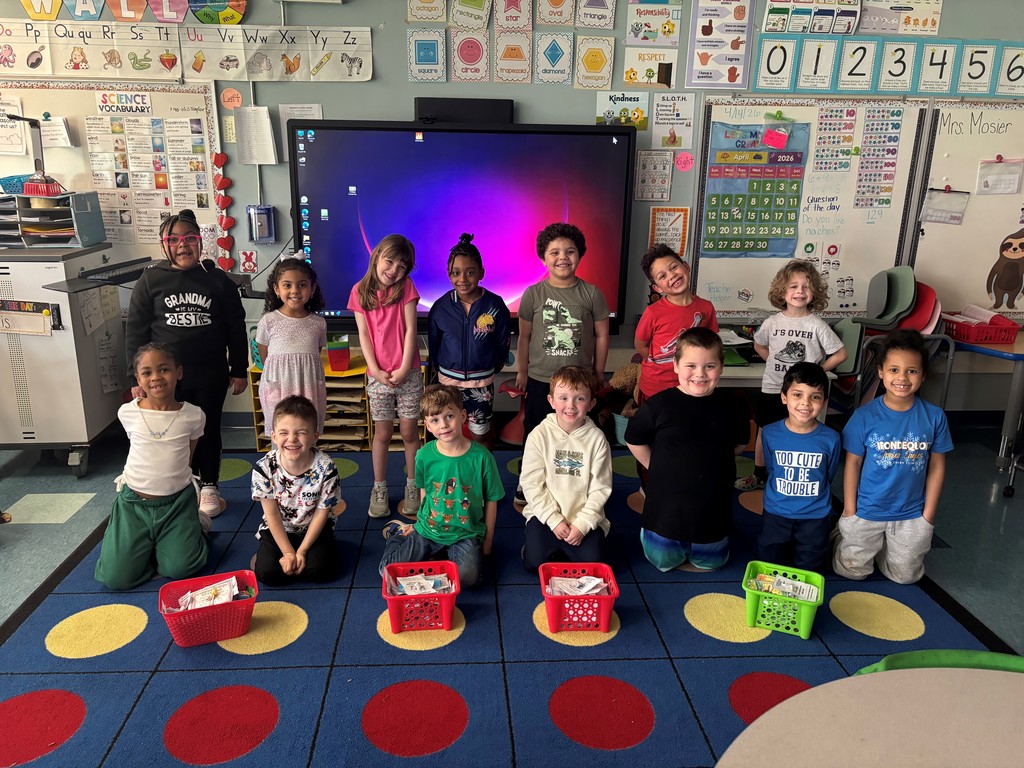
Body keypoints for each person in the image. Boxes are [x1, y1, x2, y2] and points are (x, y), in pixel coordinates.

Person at [125, 209, 248, 518]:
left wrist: (239, 369)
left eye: (190, 239)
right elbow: (136, 332)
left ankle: (209, 484)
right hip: (163, 378)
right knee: (170, 430)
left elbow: (236, 326)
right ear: (164, 245)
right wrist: (135, 377)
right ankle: (179, 484)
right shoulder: (151, 280)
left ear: (200, 242)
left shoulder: (217, 279)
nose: (183, 245)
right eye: (174, 240)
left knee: (207, 429)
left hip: (210, 372)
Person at [625, 328, 750, 572]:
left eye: (710, 366)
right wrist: (656, 465)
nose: (700, 374)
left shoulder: (733, 406)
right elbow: (634, 438)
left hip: (712, 514)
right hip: (665, 515)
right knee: (664, 561)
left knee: (711, 563)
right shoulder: (659, 405)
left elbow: (739, 444)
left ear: (722, 367)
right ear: (675, 365)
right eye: (690, 365)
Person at [833, 329, 953, 584]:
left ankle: (887, 547)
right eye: (894, 370)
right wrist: (850, 510)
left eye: (911, 370)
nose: (902, 378)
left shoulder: (934, 417)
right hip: (867, 509)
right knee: (852, 572)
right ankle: (842, 536)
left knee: (905, 577)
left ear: (923, 375)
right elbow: (852, 463)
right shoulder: (864, 416)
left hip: (911, 512)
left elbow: (937, 467)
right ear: (880, 372)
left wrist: (928, 515)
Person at [95, 343, 208, 590]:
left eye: (163, 369)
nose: (156, 377)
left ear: (178, 372)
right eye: (147, 372)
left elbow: (187, 457)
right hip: (133, 504)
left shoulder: (194, 415)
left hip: (176, 503)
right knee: (116, 578)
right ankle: (146, 546)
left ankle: (195, 525)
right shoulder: (127, 412)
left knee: (182, 569)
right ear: (138, 379)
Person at [514, 222, 610, 505]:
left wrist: (598, 371)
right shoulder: (533, 294)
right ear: (543, 257)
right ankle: (528, 482)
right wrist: (522, 371)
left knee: (577, 434)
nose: (563, 257)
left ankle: (577, 486)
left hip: (579, 382)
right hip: (541, 378)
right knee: (535, 432)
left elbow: (602, 335)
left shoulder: (591, 293)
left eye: (570, 251)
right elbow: (524, 336)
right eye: (554, 252)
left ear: (580, 255)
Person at [736, 260, 847, 492]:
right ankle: (759, 474)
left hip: (803, 393)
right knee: (765, 430)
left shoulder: (816, 324)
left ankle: (788, 474)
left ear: (814, 291)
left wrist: (815, 372)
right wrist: (775, 363)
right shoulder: (772, 322)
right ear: (782, 291)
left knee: (800, 430)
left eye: (806, 287)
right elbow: (759, 345)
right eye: (793, 286)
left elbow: (841, 353)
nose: (800, 291)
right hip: (773, 387)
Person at [379, 384, 504, 588]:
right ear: (428, 426)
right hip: (429, 530)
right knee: (385, 571)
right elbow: (424, 491)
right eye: (435, 420)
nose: (443, 425)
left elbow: (492, 500)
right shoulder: (424, 455)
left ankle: (439, 560)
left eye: (449, 416)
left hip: (466, 533)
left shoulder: (482, 457)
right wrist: (419, 524)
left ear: (463, 416)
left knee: (468, 578)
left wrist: (487, 543)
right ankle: (397, 535)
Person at [348, 234, 423, 518]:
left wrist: (404, 368)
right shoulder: (359, 291)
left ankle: (413, 485)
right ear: (377, 256)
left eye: (401, 266)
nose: (393, 270)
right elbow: (364, 335)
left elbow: (411, 331)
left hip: (409, 373)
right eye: (389, 261)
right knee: (382, 433)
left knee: (408, 432)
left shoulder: (406, 288)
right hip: (377, 375)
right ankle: (379, 487)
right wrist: (376, 371)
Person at [520, 366, 612, 572]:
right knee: (534, 563)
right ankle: (546, 547)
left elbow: (601, 488)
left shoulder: (597, 439)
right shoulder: (539, 435)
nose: (570, 405)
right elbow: (531, 484)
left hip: (582, 517)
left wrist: (582, 524)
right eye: (563, 398)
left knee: (595, 565)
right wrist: (554, 520)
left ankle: (564, 548)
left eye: (579, 398)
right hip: (545, 516)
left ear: (591, 404)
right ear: (551, 401)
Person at [427, 233, 511, 449]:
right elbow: (435, 344)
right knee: (448, 437)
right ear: (449, 274)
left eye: (470, 272)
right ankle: (453, 478)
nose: (462, 279)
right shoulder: (440, 307)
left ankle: (484, 479)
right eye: (456, 273)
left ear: (481, 273)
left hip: (480, 385)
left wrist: (489, 368)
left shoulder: (495, 305)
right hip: (449, 384)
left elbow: (503, 343)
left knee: (481, 437)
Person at [759, 362, 841, 572]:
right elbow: (772, 468)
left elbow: (828, 474)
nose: (805, 403)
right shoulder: (769, 433)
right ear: (784, 396)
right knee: (771, 562)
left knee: (810, 564)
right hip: (777, 512)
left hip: (815, 515)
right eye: (797, 395)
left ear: (824, 401)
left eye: (815, 396)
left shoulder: (831, 438)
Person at [251, 395, 341, 586]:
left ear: (314, 437)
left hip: (314, 527)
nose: (291, 439)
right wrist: (287, 552)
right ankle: (267, 556)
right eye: (283, 433)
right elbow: (272, 514)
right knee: (267, 574)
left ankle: (312, 553)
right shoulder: (264, 468)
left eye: (300, 433)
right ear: (274, 436)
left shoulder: (326, 468)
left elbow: (321, 513)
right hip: (280, 529)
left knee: (320, 572)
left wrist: (302, 551)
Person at [635, 243, 719, 402]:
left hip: (694, 383)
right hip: (656, 386)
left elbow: (712, 344)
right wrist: (662, 363)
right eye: (662, 276)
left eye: (673, 267)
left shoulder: (706, 308)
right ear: (657, 288)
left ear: (686, 267)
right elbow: (641, 345)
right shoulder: (653, 312)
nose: (671, 275)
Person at [256, 257, 327, 437]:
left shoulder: (318, 323)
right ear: (276, 289)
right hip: (279, 387)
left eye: (302, 285)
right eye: (287, 285)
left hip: (309, 385)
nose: (295, 291)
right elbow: (265, 357)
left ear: (312, 289)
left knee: (307, 431)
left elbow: (315, 355)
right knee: (281, 432)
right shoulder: (268, 321)